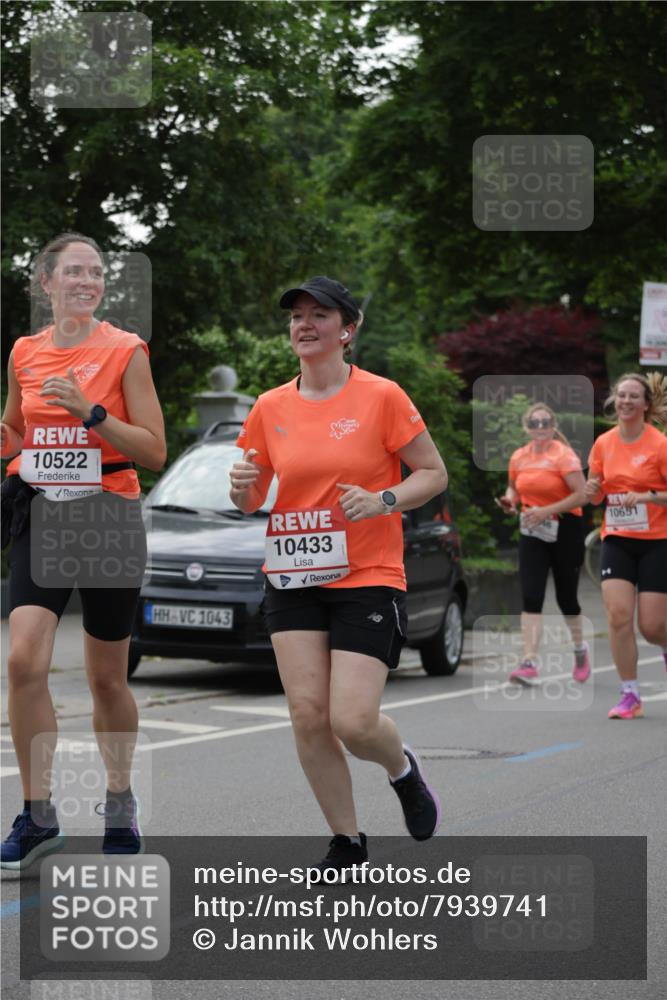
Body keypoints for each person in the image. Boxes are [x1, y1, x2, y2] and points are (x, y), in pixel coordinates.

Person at [229, 276, 447, 877]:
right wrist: (240, 488)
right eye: (296, 315)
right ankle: (347, 841)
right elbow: (252, 498)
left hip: (367, 574)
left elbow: (432, 473)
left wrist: (382, 500)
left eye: (319, 314)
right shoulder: (270, 406)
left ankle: (401, 768)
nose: (304, 324)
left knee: (352, 721)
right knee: (307, 715)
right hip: (293, 574)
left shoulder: (382, 396)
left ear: (347, 330)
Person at [1, 233, 166, 869]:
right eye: (74, 272)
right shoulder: (24, 352)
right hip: (43, 516)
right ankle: (38, 814)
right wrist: (6, 441)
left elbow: (154, 450)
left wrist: (92, 412)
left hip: (109, 517)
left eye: (95, 273)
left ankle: (120, 799)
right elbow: (17, 433)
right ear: (46, 282)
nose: (87, 282)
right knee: (23, 661)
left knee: (105, 677)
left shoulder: (125, 350)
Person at [584, 372, 667, 719]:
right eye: (622, 395)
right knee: (619, 616)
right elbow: (595, 493)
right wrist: (592, 491)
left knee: (652, 626)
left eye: (634, 396)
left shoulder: (659, 444)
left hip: (657, 541)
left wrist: (647, 497)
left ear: (646, 404)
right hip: (617, 537)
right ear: (614, 400)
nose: (626, 401)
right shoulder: (603, 443)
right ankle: (630, 693)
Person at [496, 402, 588, 684]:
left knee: (566, 597)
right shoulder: (519, 456)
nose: (540, 427)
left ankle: (579, 649)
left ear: (553, 425)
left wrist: (547, 510)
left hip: (566, 528)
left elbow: (582, 494)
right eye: (534, 423)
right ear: (527, 427)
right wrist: (510, 500)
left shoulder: (564, 455)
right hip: (532, 528)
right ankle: (529, 661)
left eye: (545, 422)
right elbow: (514, 486)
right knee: (531, 595)